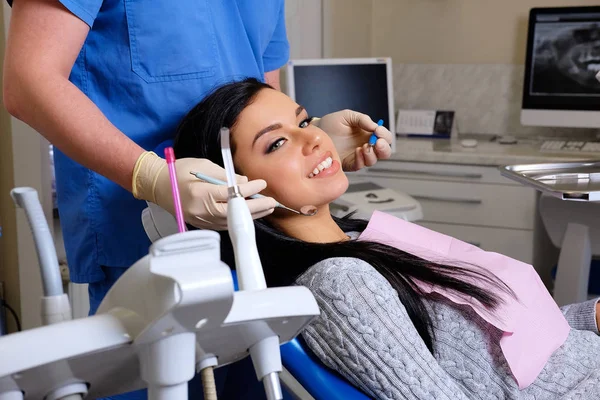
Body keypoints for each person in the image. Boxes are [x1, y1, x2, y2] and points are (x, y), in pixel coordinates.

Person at [3, 1, 392, 398]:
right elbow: (27, 80)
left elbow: (261, 97)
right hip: (146, 248)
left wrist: (312, 142)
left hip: (253, 249)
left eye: (304, 122)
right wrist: (152, 176)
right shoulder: (347, 284)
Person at [173, 77, 600, 399]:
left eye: (305, 120)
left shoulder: (361, 236)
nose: (316, 138)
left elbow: (502, 340)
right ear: (237, 190)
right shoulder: (341, 284)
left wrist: (591, 318)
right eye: (279, 142)